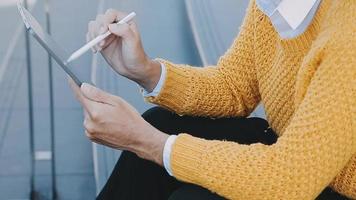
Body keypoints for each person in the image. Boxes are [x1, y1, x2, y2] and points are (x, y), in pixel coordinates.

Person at [68, 0, 356, 199]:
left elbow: (290, 178)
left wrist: (148, 143)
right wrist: (146, 70)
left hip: (327, 184)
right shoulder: (272, 6)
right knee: (162, 124)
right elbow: (234, 87)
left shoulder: (347, 34)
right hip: (299, 160)